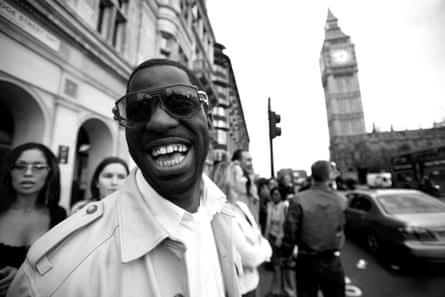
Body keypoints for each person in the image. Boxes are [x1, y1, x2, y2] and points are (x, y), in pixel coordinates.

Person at [7, 59, 241, 297]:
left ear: (209, 119)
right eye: (138, 110)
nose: (160, 121)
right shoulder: (52, 278)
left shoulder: (225, 220)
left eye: (180, 102)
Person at [0, 142, 66, 297]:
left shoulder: (59, 215)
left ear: (50, 172)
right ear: (9, 171)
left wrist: (23, 275)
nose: (28, 173)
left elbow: (61, 269)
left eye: (38, 167)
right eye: (19, 166)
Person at [281, 160, 347, 297]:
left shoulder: (298, 199)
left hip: (307, 262)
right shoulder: (341, 200)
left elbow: (290, 231)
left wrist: (286, 254)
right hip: (332, 261)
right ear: (329, 176)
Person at [213, 160, 272, 297]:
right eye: (241, 176)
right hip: (240, 289)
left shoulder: (242, 206)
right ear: (230, 181)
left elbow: (259, 237)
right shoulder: (222, 213)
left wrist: (260, 247)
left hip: (254, 282)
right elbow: (249, 257)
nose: (246, 179)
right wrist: (264, 249)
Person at [264, 187, 287, 297]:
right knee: (275, 264)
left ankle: (277, 290)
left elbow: (285, 224)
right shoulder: (270, 205)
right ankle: (276, 289)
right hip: (271, 236)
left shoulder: (284, 206)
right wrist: (266, 237)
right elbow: (268, 223)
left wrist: (280, 238)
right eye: (273, 194)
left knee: (278, 265)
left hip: (279, 238)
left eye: (277, 194)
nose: (274, 196)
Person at [231, 149, 260, 223]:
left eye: (251, 160)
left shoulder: (250, 182)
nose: (251, 164)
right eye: (248, 160)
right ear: (237, 162)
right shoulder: (232, 185)